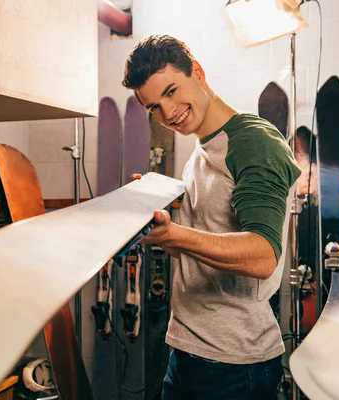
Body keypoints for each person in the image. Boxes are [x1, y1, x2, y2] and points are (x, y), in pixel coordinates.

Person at [122, 35, 301, 400]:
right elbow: (202, 252)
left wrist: (175, 236)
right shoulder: (201, 149)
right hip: (189, 351)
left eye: (172, 91)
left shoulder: (254, 143)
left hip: (234, 366)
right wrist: (157, 221)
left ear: (198, 73)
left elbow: (263, 254)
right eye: (155, 107)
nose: (168, 112)